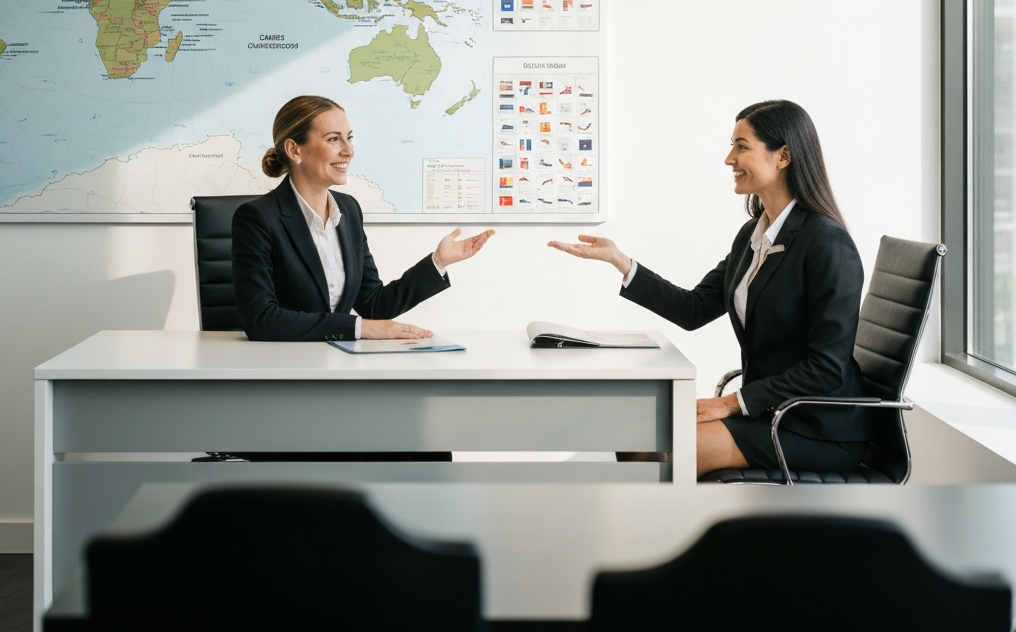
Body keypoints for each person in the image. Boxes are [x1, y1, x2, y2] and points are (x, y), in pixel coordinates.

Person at [548, 99, 870, 478]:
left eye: (742, 146)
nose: (729, 159)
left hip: (817, 428)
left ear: (783, 156)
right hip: (769, 414)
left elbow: (827, 367)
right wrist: (620, 261)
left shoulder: (827, 243)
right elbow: (694, 309)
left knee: (659, 458)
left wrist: (731, 403)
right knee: (634, 437)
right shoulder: (754, 234)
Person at [232, 95, 494, 341]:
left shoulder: (348, 211)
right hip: (280, 369)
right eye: (334, 139)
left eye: (349, 137)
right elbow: (261, 320)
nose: (349, 150)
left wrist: (438, 261)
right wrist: (361, 328)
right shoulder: (257, 218)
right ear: (294, 150)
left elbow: (373, 304)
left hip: (340, 363)